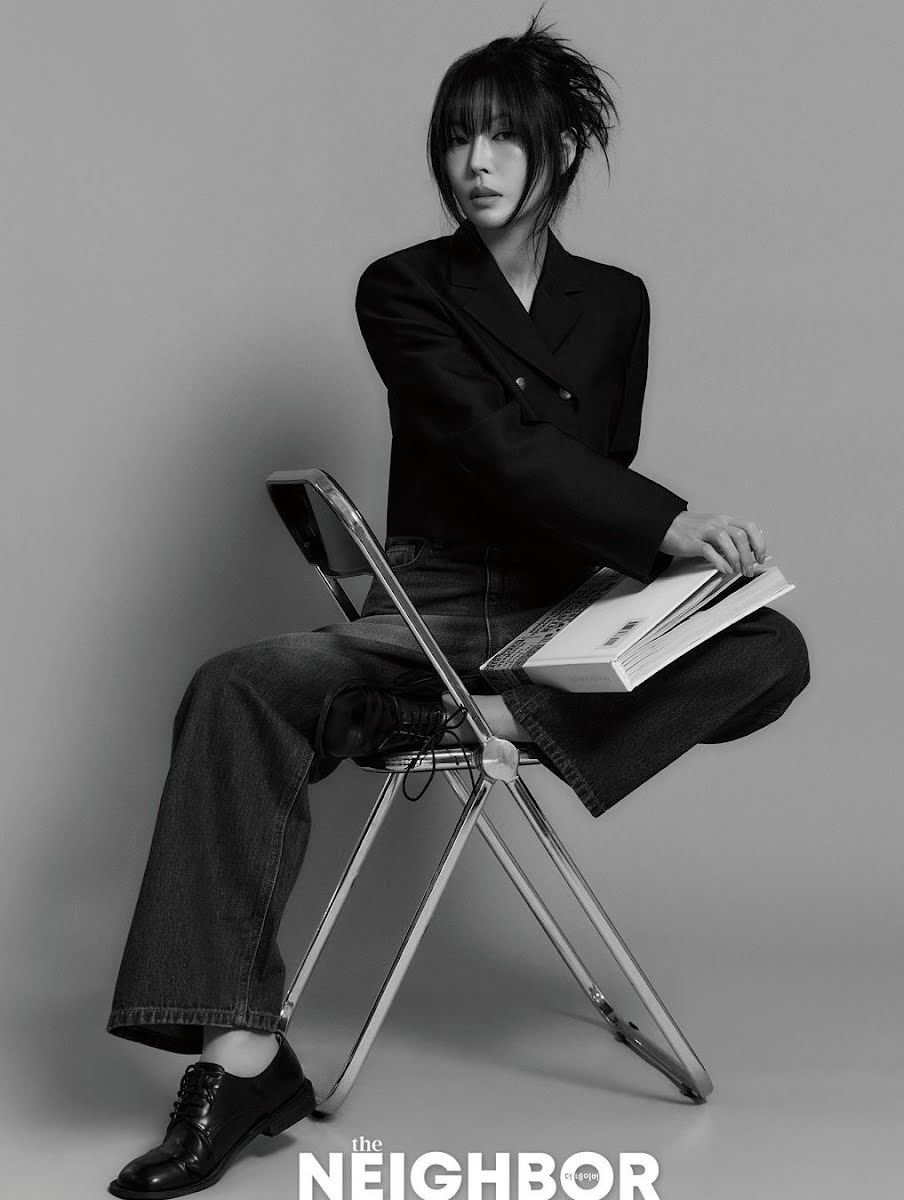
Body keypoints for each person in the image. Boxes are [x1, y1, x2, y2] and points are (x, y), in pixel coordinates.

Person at [105, 10, 810, 1198]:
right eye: (455, 138)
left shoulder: (618, 302)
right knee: (236, 686)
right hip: (424, 608)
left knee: (771, 646)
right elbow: (496, 449)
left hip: (565, 607)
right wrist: (666, 520)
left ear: (559, 150)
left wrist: (654, 579)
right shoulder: (403, 288)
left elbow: (593, 470)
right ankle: (242, 1060)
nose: (475, 163)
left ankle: (515, 720)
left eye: (503, 137)